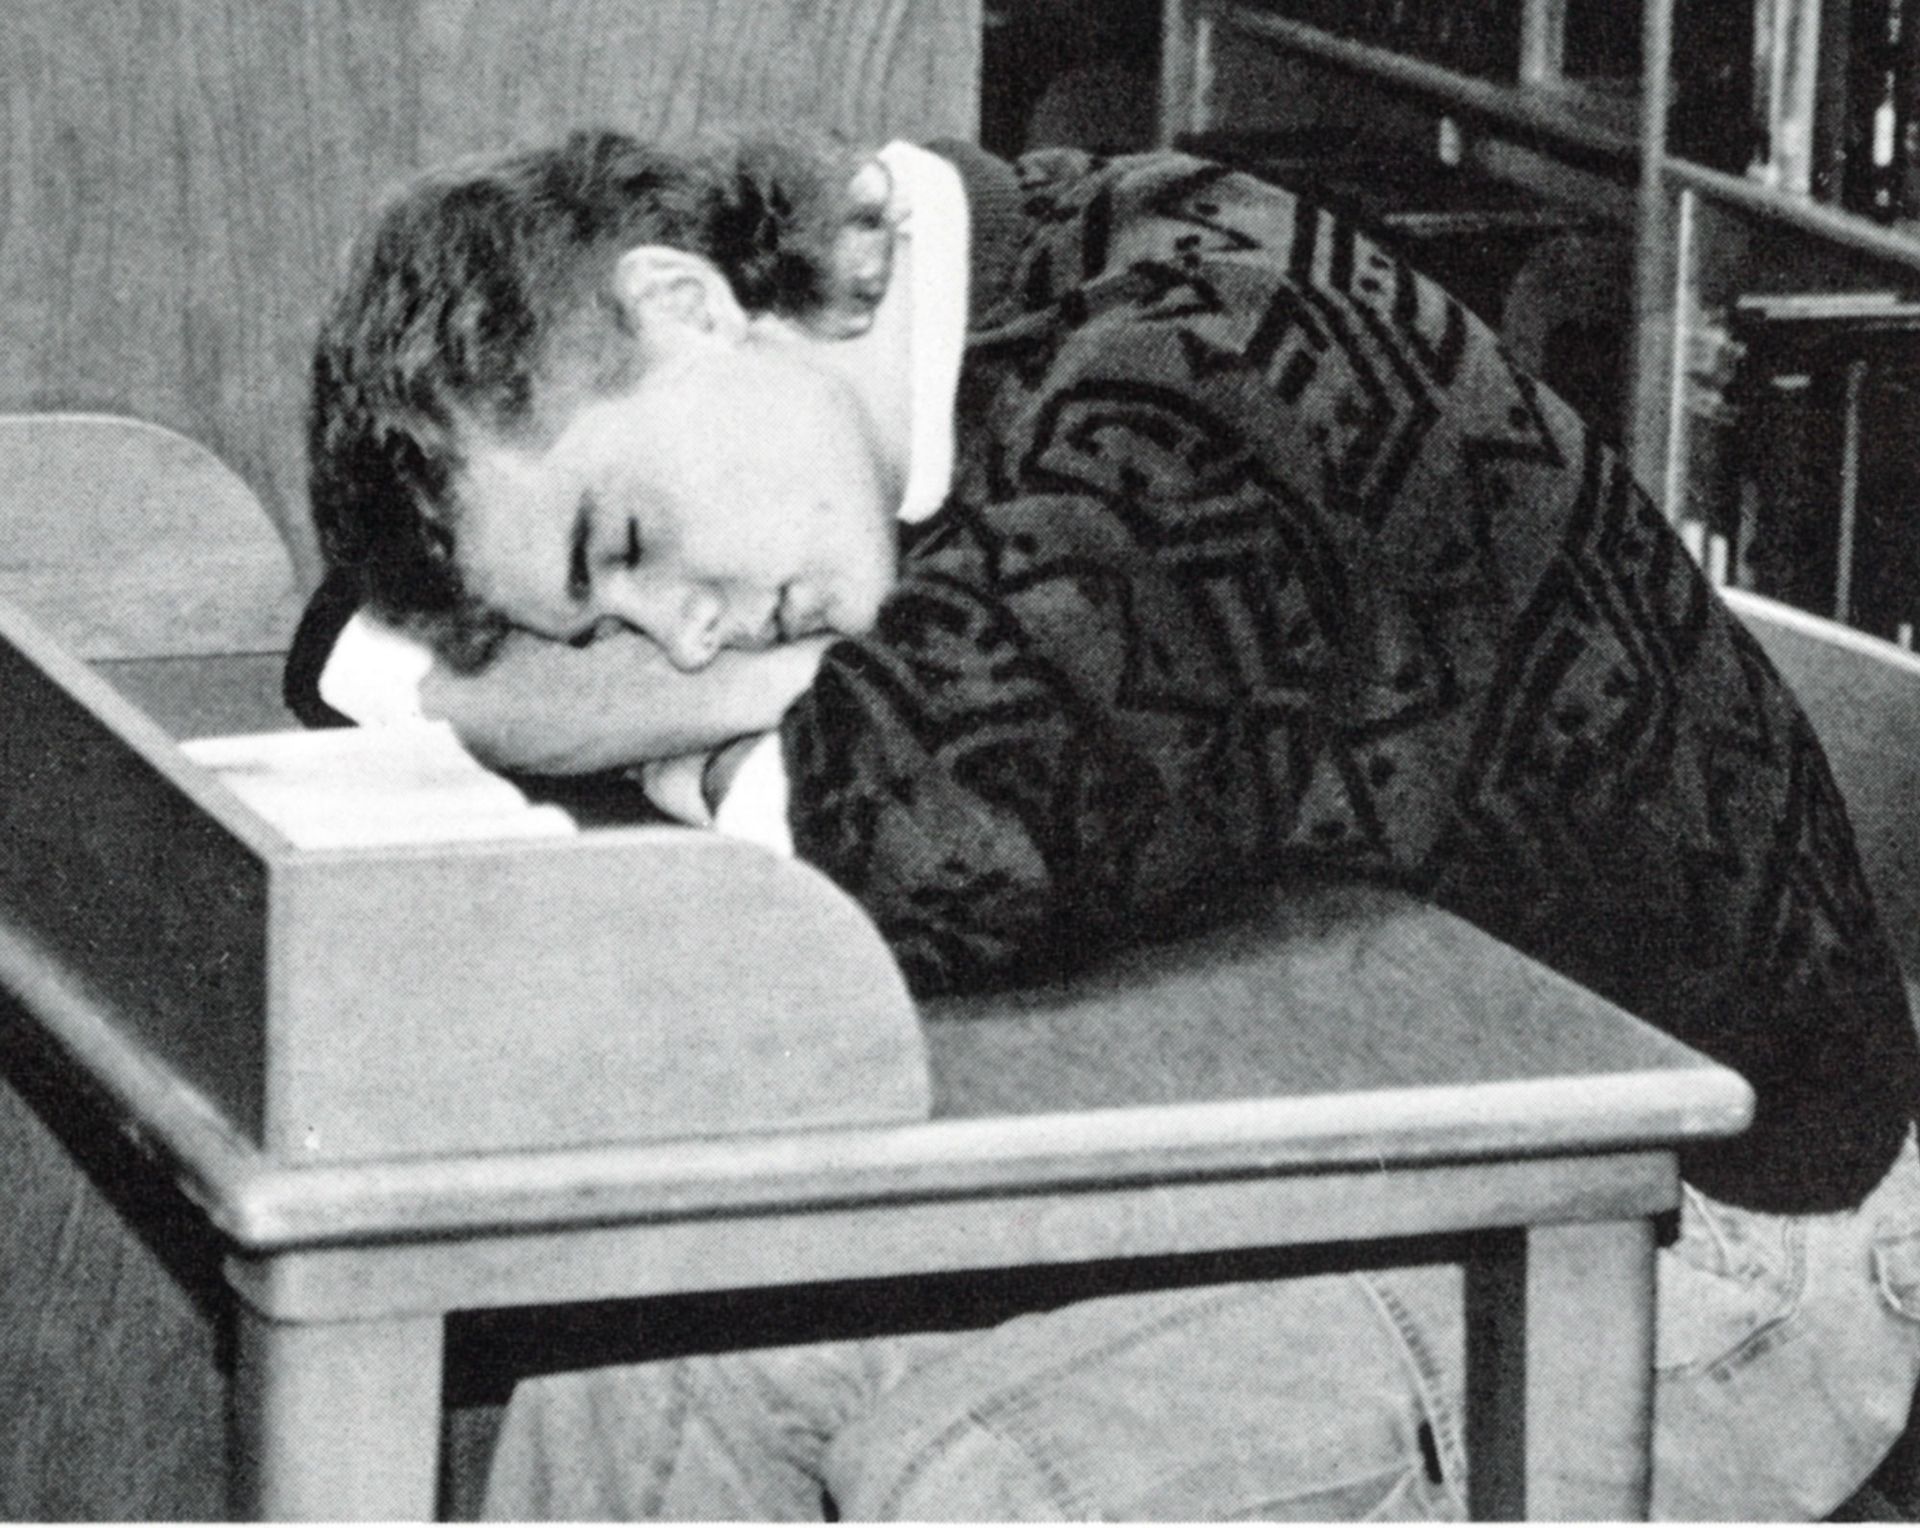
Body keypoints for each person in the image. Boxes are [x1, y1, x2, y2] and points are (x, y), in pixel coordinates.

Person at [287, 125, 1920, 1519]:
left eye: (627, 539)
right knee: (638, 1370)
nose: (685, 632)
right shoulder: (927, 297)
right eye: (600, 624)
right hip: (1393, 1115)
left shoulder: (1195, 362)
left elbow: (899, 836)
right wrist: (576, 687)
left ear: (684, 299)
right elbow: (344, 651)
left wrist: (530, 705)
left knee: (989, 1483)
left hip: (1720, 1225)